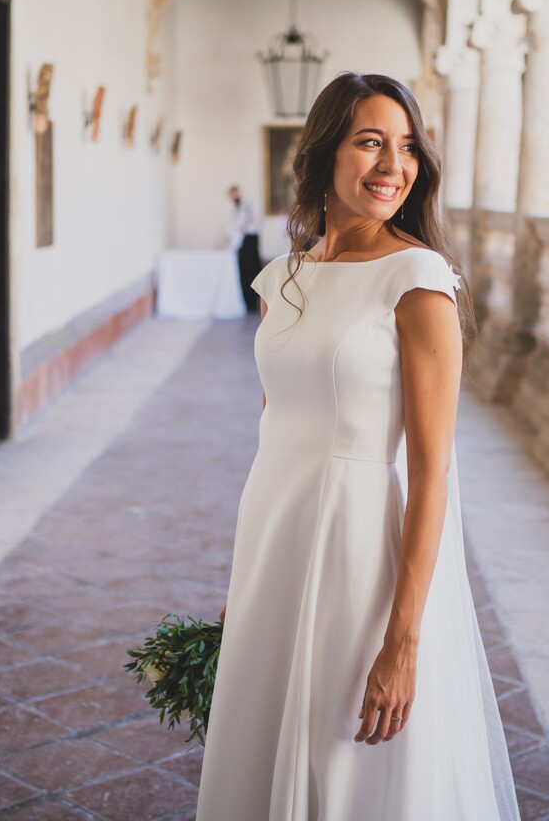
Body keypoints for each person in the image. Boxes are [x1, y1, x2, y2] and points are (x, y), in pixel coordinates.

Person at [197, 73, 520, 821]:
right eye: (369, 141)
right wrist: (245, 583)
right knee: (270, 743)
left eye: (406, 148)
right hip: (275, 540)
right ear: (325, 152)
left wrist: (403, 639)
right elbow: (276, 430)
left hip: (358, 555)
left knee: (350, 766)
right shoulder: (283, 279)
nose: (391, 166)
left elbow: (435, 470)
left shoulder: (418, 281)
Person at [228, 184, 264, 314]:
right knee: (243, 272)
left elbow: (257, 223)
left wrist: (246, 227)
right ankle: (247, 302)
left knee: (253, 270)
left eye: (235, 193)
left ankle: (256, 300)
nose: (234, 196)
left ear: (239, 192)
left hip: (250, 241)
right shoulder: (235, 210)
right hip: (240, 244)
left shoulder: (250, 205)